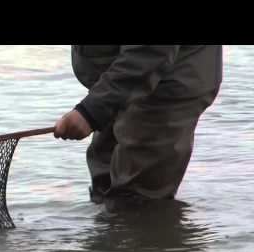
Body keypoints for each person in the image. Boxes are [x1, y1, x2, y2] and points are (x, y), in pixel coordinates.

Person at [54, 45, 223, 208]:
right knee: (104, 184)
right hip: (117, 81)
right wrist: (98, 103)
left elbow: (148, 51)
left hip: (166, 83)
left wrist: (90, 112)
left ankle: (148, 232)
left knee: (136, 199)